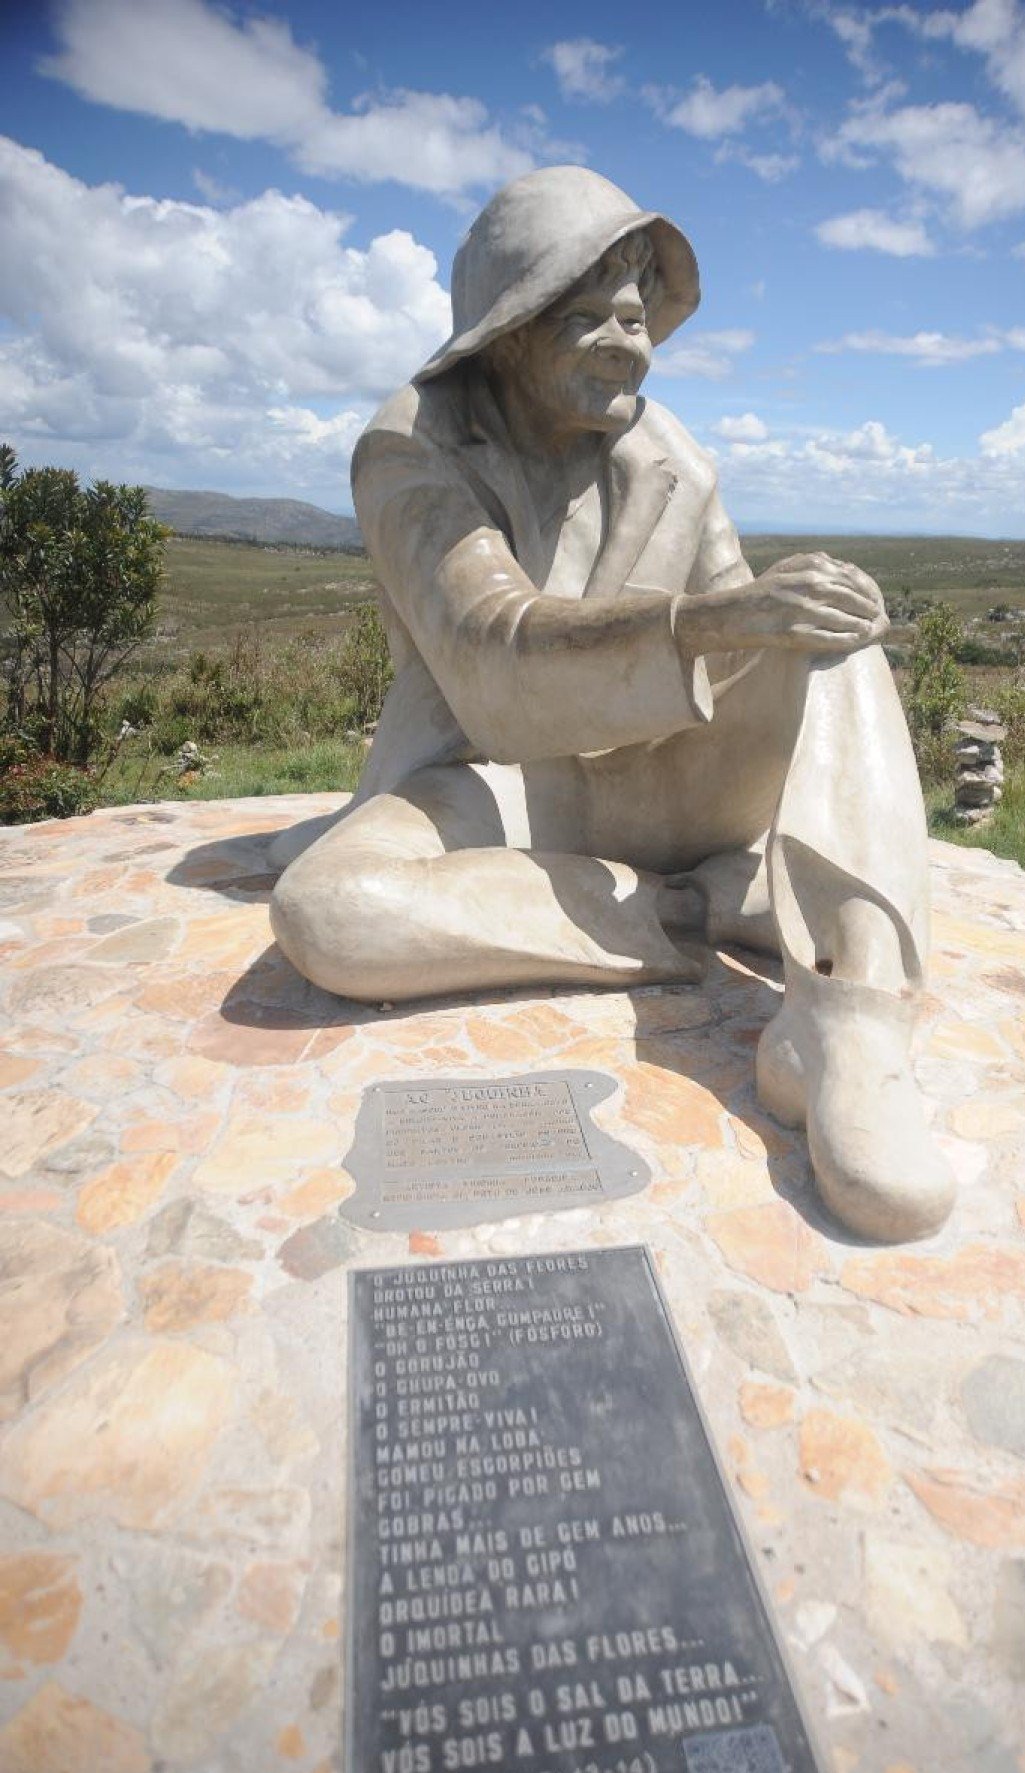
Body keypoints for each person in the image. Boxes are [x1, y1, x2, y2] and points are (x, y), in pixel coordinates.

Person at [269, 166, 954, 1243]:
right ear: (505, 332)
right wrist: (698, 625)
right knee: (329, 910)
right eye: (583, 316)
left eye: (635, 316)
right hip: (494, 778)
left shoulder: (670, 459)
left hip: (657, 775)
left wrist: (764, 617)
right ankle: (697, 906)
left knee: (830, 626)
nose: (625, 343)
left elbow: (741, 654)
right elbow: (488, 652)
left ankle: (851, 1022)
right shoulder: (411, 446)